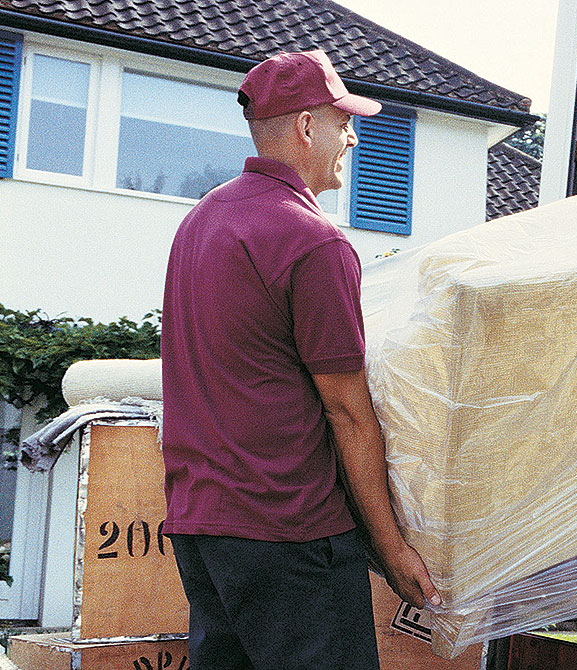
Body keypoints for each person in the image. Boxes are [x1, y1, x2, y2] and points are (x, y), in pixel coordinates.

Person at [160, 49, 440, 669]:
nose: (353, 136)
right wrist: (391, 549)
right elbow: (347, 409)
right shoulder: (313, 241)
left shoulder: (200, 222)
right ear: (308, 128)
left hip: (203, 530)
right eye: (343, 122)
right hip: (290, 534)